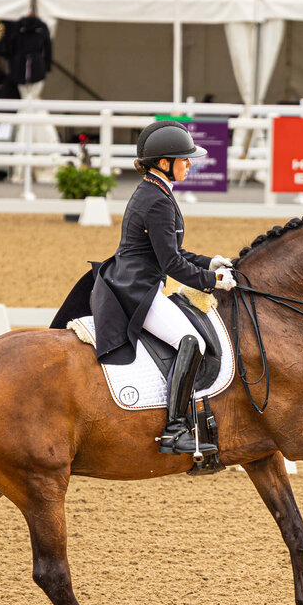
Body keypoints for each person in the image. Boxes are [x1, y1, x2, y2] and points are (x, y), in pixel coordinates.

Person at [90, 120, 236, 456]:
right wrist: (212, 282)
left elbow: (174, 252)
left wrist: (209, 262)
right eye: (184, 159)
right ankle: (174, 430)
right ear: (164, 163)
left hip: (134, 279)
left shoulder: (154, 192)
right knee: (193, 341)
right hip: (136, 290)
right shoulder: (157, 200)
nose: (190, 163)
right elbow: (171, 264)